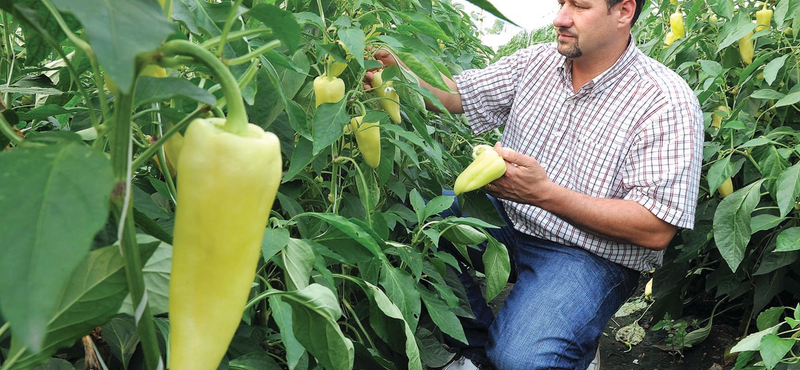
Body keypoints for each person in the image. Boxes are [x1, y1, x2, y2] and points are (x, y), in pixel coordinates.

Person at [368, 0, 703, 369]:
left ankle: (566, 347)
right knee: (409, 219)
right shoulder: (535, 63)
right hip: (508, 219)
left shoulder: (665, 100)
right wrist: (399, 72)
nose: (560, 18)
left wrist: (543, 194)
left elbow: (655, 229)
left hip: (588, 252)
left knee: (523, 359)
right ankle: (476, 349)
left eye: (580, 6)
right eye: (560, 3)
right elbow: (457, 94)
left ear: (623, 11)